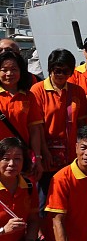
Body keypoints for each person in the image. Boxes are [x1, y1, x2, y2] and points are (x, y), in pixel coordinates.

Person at [30, 49, 87, 200]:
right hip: (47, 156)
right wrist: (43, 153)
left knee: (68, 198)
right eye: (58, 70)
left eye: (66, 71)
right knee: (45, 199)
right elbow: (37, 127)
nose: (62, 75)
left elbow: (83, 124)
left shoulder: (77, 91)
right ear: (50, 69)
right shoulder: (37, 91)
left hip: (70, 156)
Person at [0, 51, 46, 180]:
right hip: (0, 157)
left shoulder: (28, 96)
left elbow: (35, 130)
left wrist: (37, 158)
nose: (9, 74)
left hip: (21, 157)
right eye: (4, 70)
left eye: (14, 69)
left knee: (23, 193)